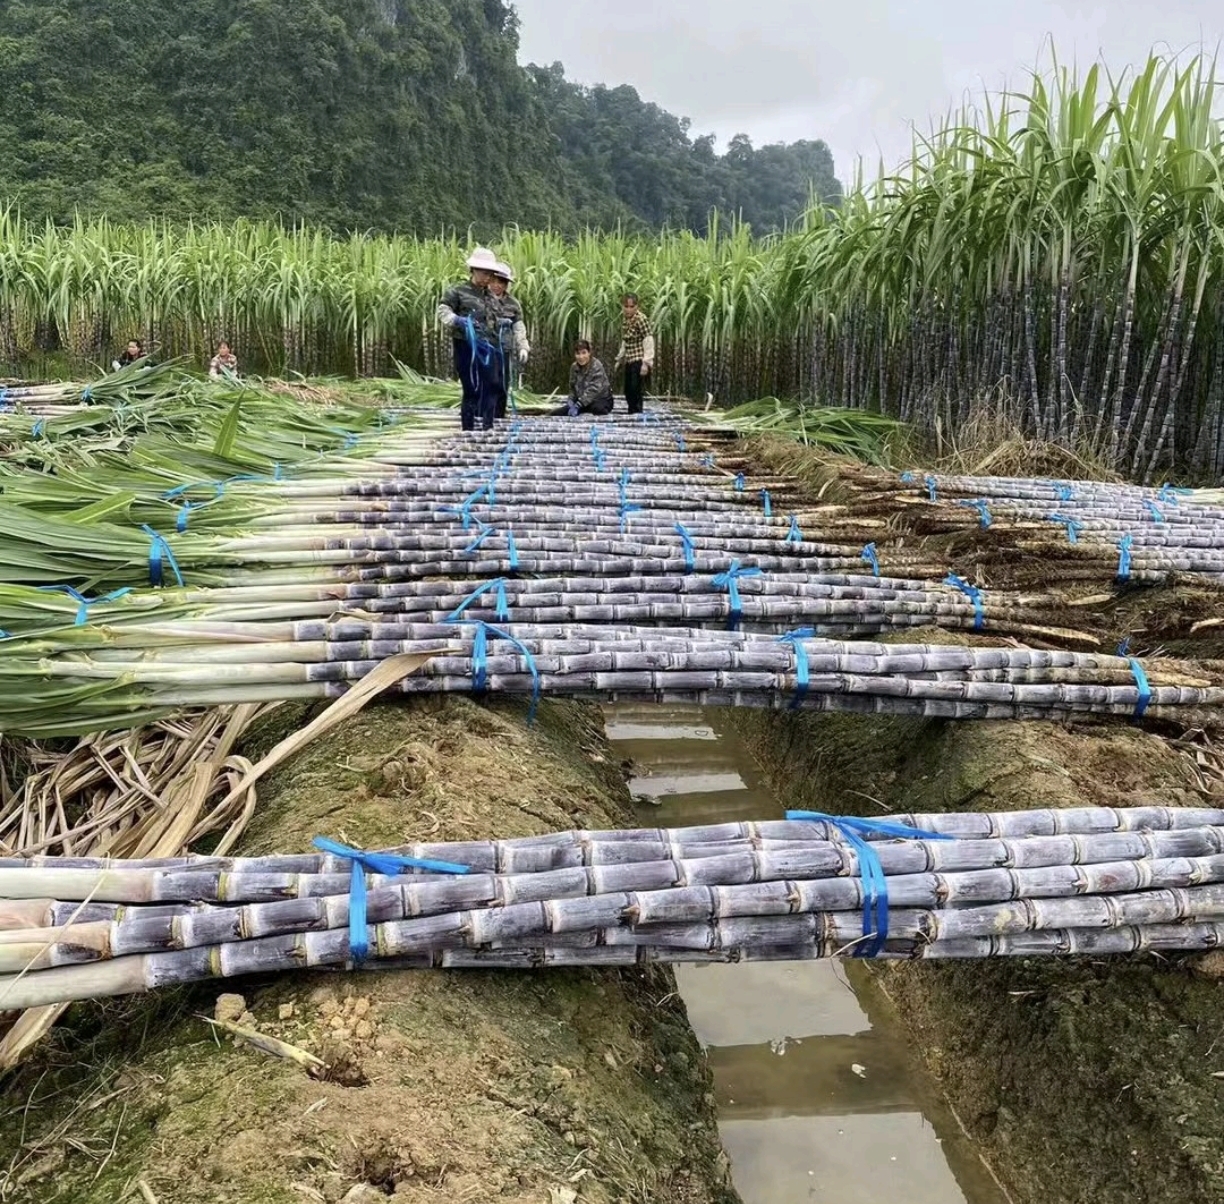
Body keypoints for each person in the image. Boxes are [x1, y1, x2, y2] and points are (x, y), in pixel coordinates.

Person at [437, 247, 501, 431]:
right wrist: (458, 320)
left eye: (490, 273)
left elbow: (494, 319)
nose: (487, 276)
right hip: (466, 346)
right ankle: (468, 429)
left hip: (489, 347)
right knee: (471, 389)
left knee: (493, 386)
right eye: (484, 272)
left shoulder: (491, 297)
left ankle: (488, 427)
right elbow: (443, 311)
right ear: (473, 270)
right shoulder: (458, 291)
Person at [487, 262, 530, 420]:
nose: (497, 285)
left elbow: (518, 327)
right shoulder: (481, 300)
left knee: (502, 385)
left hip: (504, 350)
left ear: (506, 285)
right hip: (484, 349)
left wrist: (523, 347)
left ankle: (499, 416)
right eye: (495, 281)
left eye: (501, 282)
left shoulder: (513, 304)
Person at [614, 293, 655, 415]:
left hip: (639, 360)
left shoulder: (641, 319)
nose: (628, 309)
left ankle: (637, 414)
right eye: (626, 306)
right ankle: (631, 413)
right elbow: (625, 341)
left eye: (631, 306)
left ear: (637, 306)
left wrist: (646, 363)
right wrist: (619, 359)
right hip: (629, 360)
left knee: (635, 389)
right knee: (628, 390)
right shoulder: (626, 320)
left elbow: (648, 340)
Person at [553, 340, 614, 416]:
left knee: (598, 409)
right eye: (578, 354)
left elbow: (593, 390)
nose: (581, 357)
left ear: (589, 353)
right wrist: (571, 401)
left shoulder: (596, 366)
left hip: (600, 398)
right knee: (559, 412)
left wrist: (578, 405)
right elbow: (572, 387)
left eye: (584, 353)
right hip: (581, 399)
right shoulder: (574, 367)